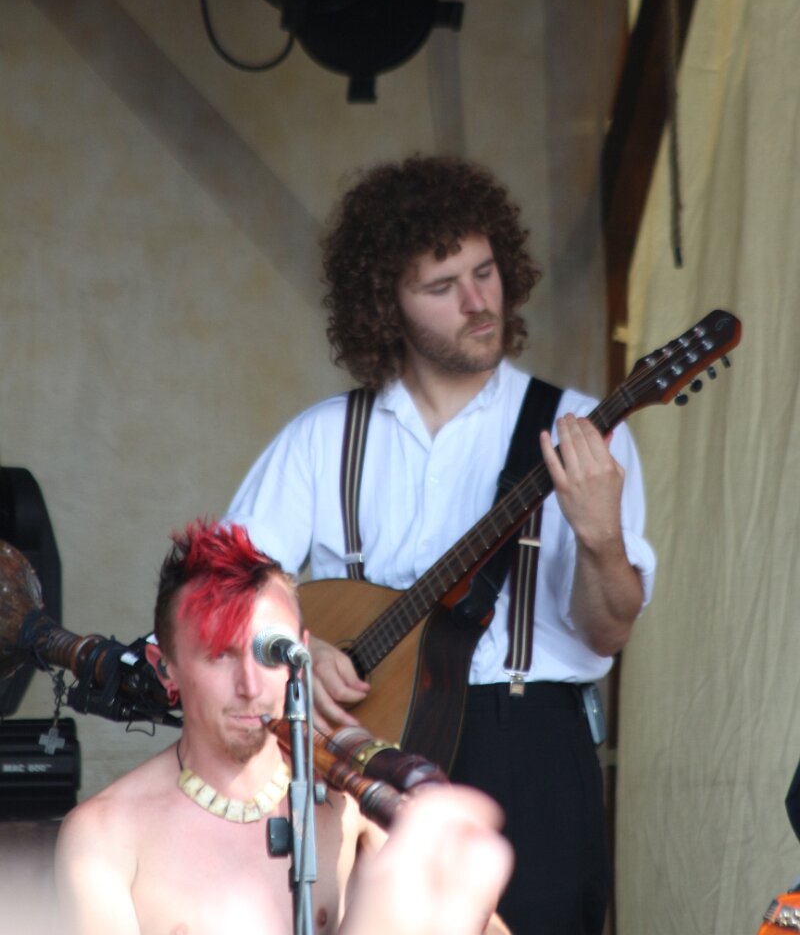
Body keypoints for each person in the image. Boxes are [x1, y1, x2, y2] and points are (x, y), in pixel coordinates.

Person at [225, 154, 657, 935]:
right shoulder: (323, 439)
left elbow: (607, 631)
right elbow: (222, 584)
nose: (478, 302)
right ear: (384, 305)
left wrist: (600, 540)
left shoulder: (580, 430)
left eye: (486, 273)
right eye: (442, 286)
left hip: (528, 744)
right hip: (361, 743)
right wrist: (298, 647)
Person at [55, 518, 509, 935]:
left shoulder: (348, 802)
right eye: (220, 655)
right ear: (165, 667)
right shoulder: (103, 836)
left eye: (271, 652)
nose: (250, 686)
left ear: (302, 652)